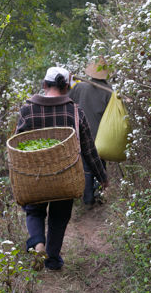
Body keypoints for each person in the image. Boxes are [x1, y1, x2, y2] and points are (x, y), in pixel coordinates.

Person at [16, 66, 108, 271]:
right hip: (64, 176)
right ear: (67, 87)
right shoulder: (74, 112)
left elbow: (17, 146)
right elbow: (88, 149)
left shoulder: (27, 110)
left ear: (44, 84)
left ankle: (37, 243)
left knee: (34, 211)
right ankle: (53, 259)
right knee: (59, 216)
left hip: (35, 175)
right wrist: (102, 177)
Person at [68, 57, 112, 208]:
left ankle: (88, 199)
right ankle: (97, 194)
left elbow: (69, 103)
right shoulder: (109, 92)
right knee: (100, 163)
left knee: (86, 165)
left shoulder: (80, 87)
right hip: (101, 134)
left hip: (81, 132)